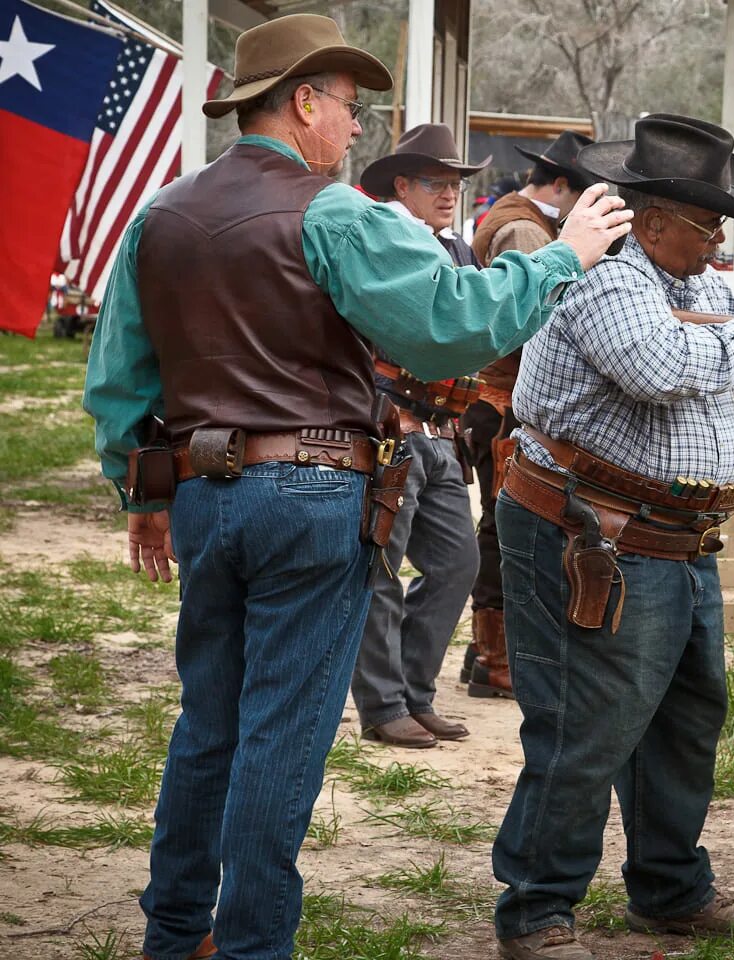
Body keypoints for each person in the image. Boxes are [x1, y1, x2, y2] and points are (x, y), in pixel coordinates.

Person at [81, 15, 630, 960]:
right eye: (350, 107)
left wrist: (147, 496)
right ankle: (253, 947)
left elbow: (120, 381)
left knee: (208, 722)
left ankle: (176, 937)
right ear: (302, 103)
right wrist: (564, 254)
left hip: (207, 497)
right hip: (311, 495)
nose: (358, 129)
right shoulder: (330, 211)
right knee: (280, 738)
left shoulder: (159, 214)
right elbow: (451, 326)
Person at [490, 114, 734, 960]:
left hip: (668, 535)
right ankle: (536, 909)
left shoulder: (695, 284)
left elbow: (732, 358)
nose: (718, 241)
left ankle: (669, 889)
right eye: (709, 225)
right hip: (591, 529)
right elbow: (663, 369)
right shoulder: (603, 278)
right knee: (585, 723)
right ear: (655, 220)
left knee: (684, 718)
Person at [349, 124, 492, 748]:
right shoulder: (375, 243)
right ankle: (383, 706)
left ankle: (415, 693)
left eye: (456, 183)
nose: (450, 193)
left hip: (441, 431)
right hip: (389, 428)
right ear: (402, 184)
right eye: (438, 182)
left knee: (458, 563)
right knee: (380, 567)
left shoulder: (458, 249)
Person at [457, 130, 599, 699]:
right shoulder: (522, 229)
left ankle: (483, 654)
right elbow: (525, 316)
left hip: (502, 400)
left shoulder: (523, 220)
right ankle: (495, 660)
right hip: (502, 401)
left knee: (500, 526)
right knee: (500, 527)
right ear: (562, 184)